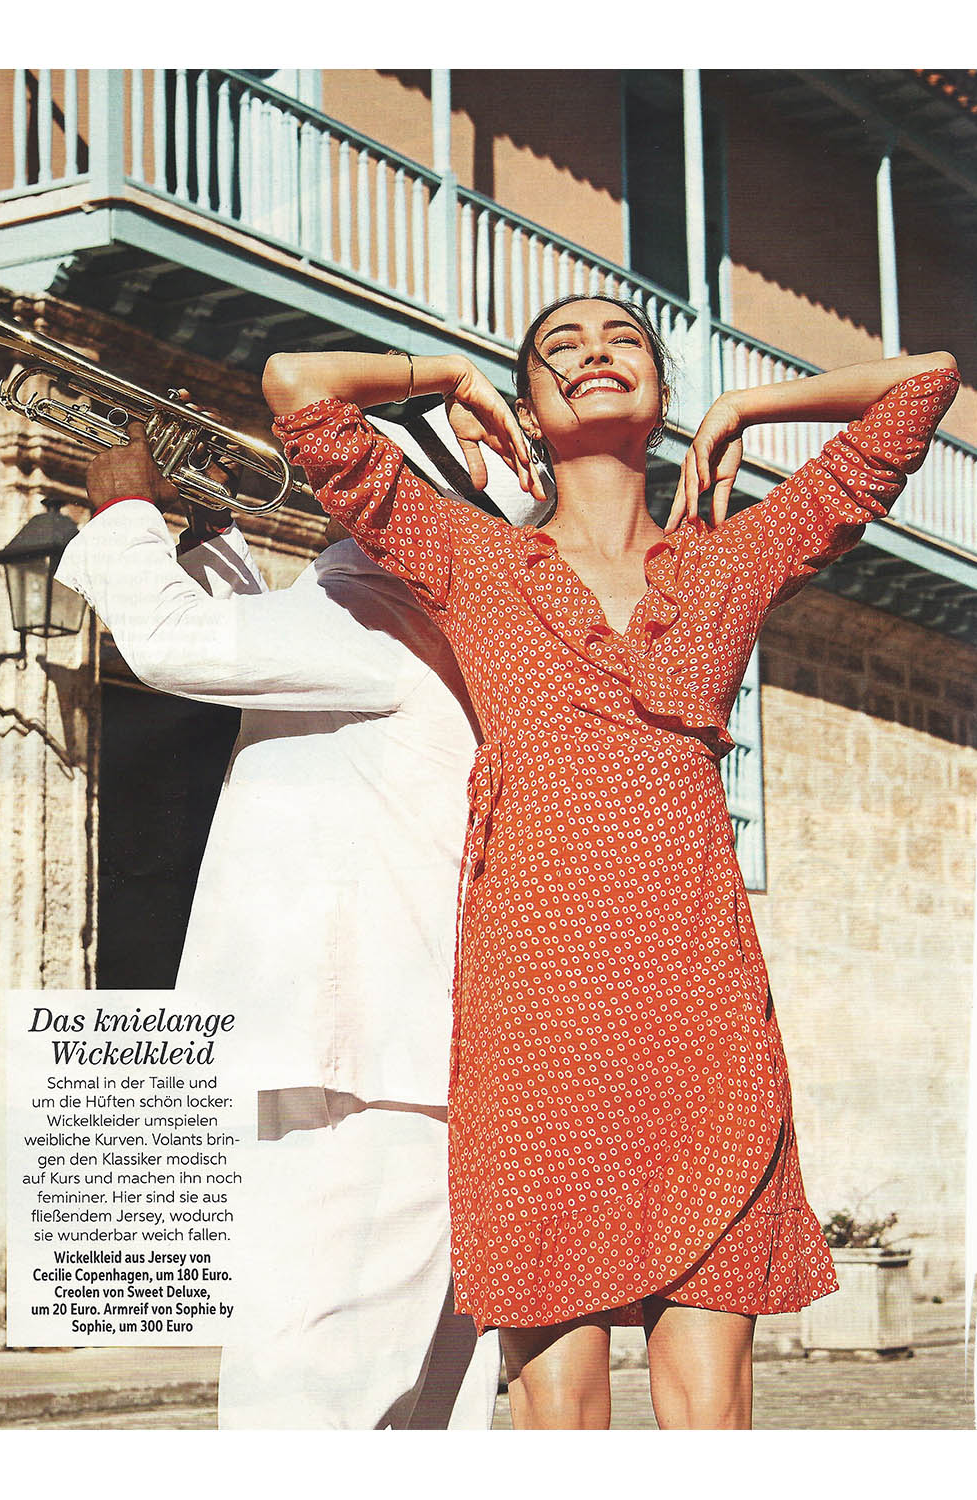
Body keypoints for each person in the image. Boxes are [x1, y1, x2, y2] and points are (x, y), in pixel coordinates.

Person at [260, 300, 959, 1429]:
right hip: (536, 1015)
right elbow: (296, 382)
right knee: (561, 1417)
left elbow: (924, 378)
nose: (594, 353)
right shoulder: (468, 556)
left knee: (711, 1416)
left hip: (702, 1012)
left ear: (662, 395)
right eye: (560, 349)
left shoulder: (734, 560)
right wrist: (444, 372)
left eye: (623, 340)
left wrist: (748, 405)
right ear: (528, 406)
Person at [54, 402, 542, 1428]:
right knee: (402, 1400)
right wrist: (204, 534)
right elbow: (266, 656)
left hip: (356, 1065)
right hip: (390, 1058)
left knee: (307, 1385)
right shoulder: (401, 620)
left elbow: (177, 644)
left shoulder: (381, 613)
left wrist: (126, 508)